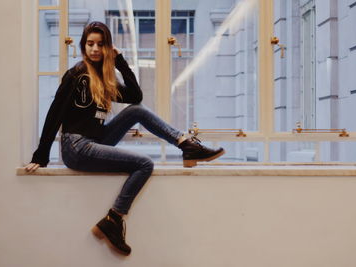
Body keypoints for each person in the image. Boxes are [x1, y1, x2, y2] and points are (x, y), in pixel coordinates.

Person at [25, 21, 225, 256]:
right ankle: (114, 218)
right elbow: (54, 113)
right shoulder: (77, 75)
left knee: (136, 110)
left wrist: (120, 62)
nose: (95, 49)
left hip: (95, 142)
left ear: (108, 48)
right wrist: (41, 155)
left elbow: (135, 95)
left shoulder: (105, 78)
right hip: (76, 146)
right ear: (83, 46)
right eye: (90, 44)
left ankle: (185, 144)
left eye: (101, 44)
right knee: (145, 164)